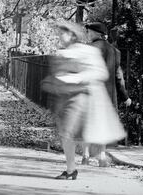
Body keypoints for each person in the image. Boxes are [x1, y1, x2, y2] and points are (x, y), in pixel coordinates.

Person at [46, 20, 125, 180]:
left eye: (63, 33)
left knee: (71, 132)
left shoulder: (88, 50)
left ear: (73, 35)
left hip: (83, 96)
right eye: (59, 33)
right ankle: (89, 158)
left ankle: (81, 162)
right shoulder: (63, 52)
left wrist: (74, 78)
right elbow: (118, 76)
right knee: (68, 134)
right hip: (68, 98)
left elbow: (100, 73)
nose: (60, 36)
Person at [81, 21, 131, 167]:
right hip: (107, 96)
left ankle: (85, 155)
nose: (87, 34)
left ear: (97, 34)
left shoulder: (88, 49)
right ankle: (102, 157)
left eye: (89, 32)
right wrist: (125, 96)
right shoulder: (115, 52)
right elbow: (118, 77)